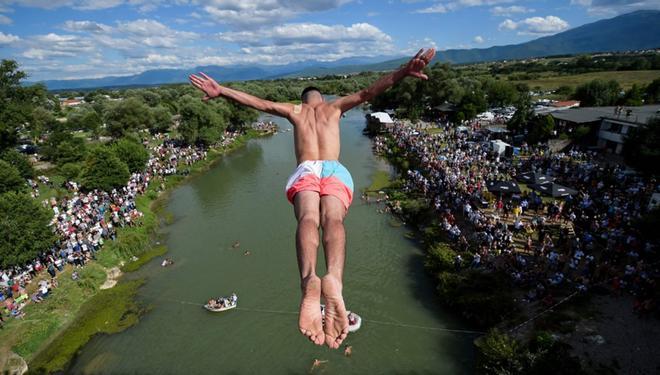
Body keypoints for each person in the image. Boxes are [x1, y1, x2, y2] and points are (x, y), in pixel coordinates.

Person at [189, 47, 436, 349]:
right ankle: (334, 277)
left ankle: (309, 279)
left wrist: (222, 90)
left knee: (308, 218)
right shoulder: (334, 108)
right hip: (334, 169)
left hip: (306, 170)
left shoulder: (295, 112)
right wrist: (402, 72)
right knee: (333, 219)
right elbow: (369, 91)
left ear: (303, 99)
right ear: (320, 97)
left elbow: (260, 103)